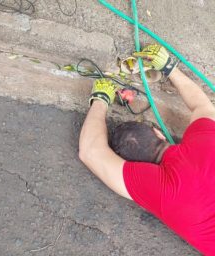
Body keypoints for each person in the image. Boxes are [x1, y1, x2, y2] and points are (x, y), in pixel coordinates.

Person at [79, 44, 215, 255]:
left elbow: (90, 152)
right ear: (158, 132)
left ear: (137, 166)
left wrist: (100, 100)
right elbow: (203, 107)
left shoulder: (156, 188)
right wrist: (169, 67)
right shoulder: (206, 141)